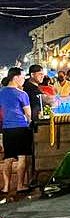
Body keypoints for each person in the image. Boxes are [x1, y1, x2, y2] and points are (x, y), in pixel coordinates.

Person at [0, 67, 33, 197]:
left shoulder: (1, 93)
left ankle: (6, 187)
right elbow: (28, 114)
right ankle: (20, 185)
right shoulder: (22, 94)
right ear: (15, 78)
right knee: (22, 157)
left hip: (7, 129)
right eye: (22, 77)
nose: (23, 80)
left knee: (8, 158)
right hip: (21, 127)